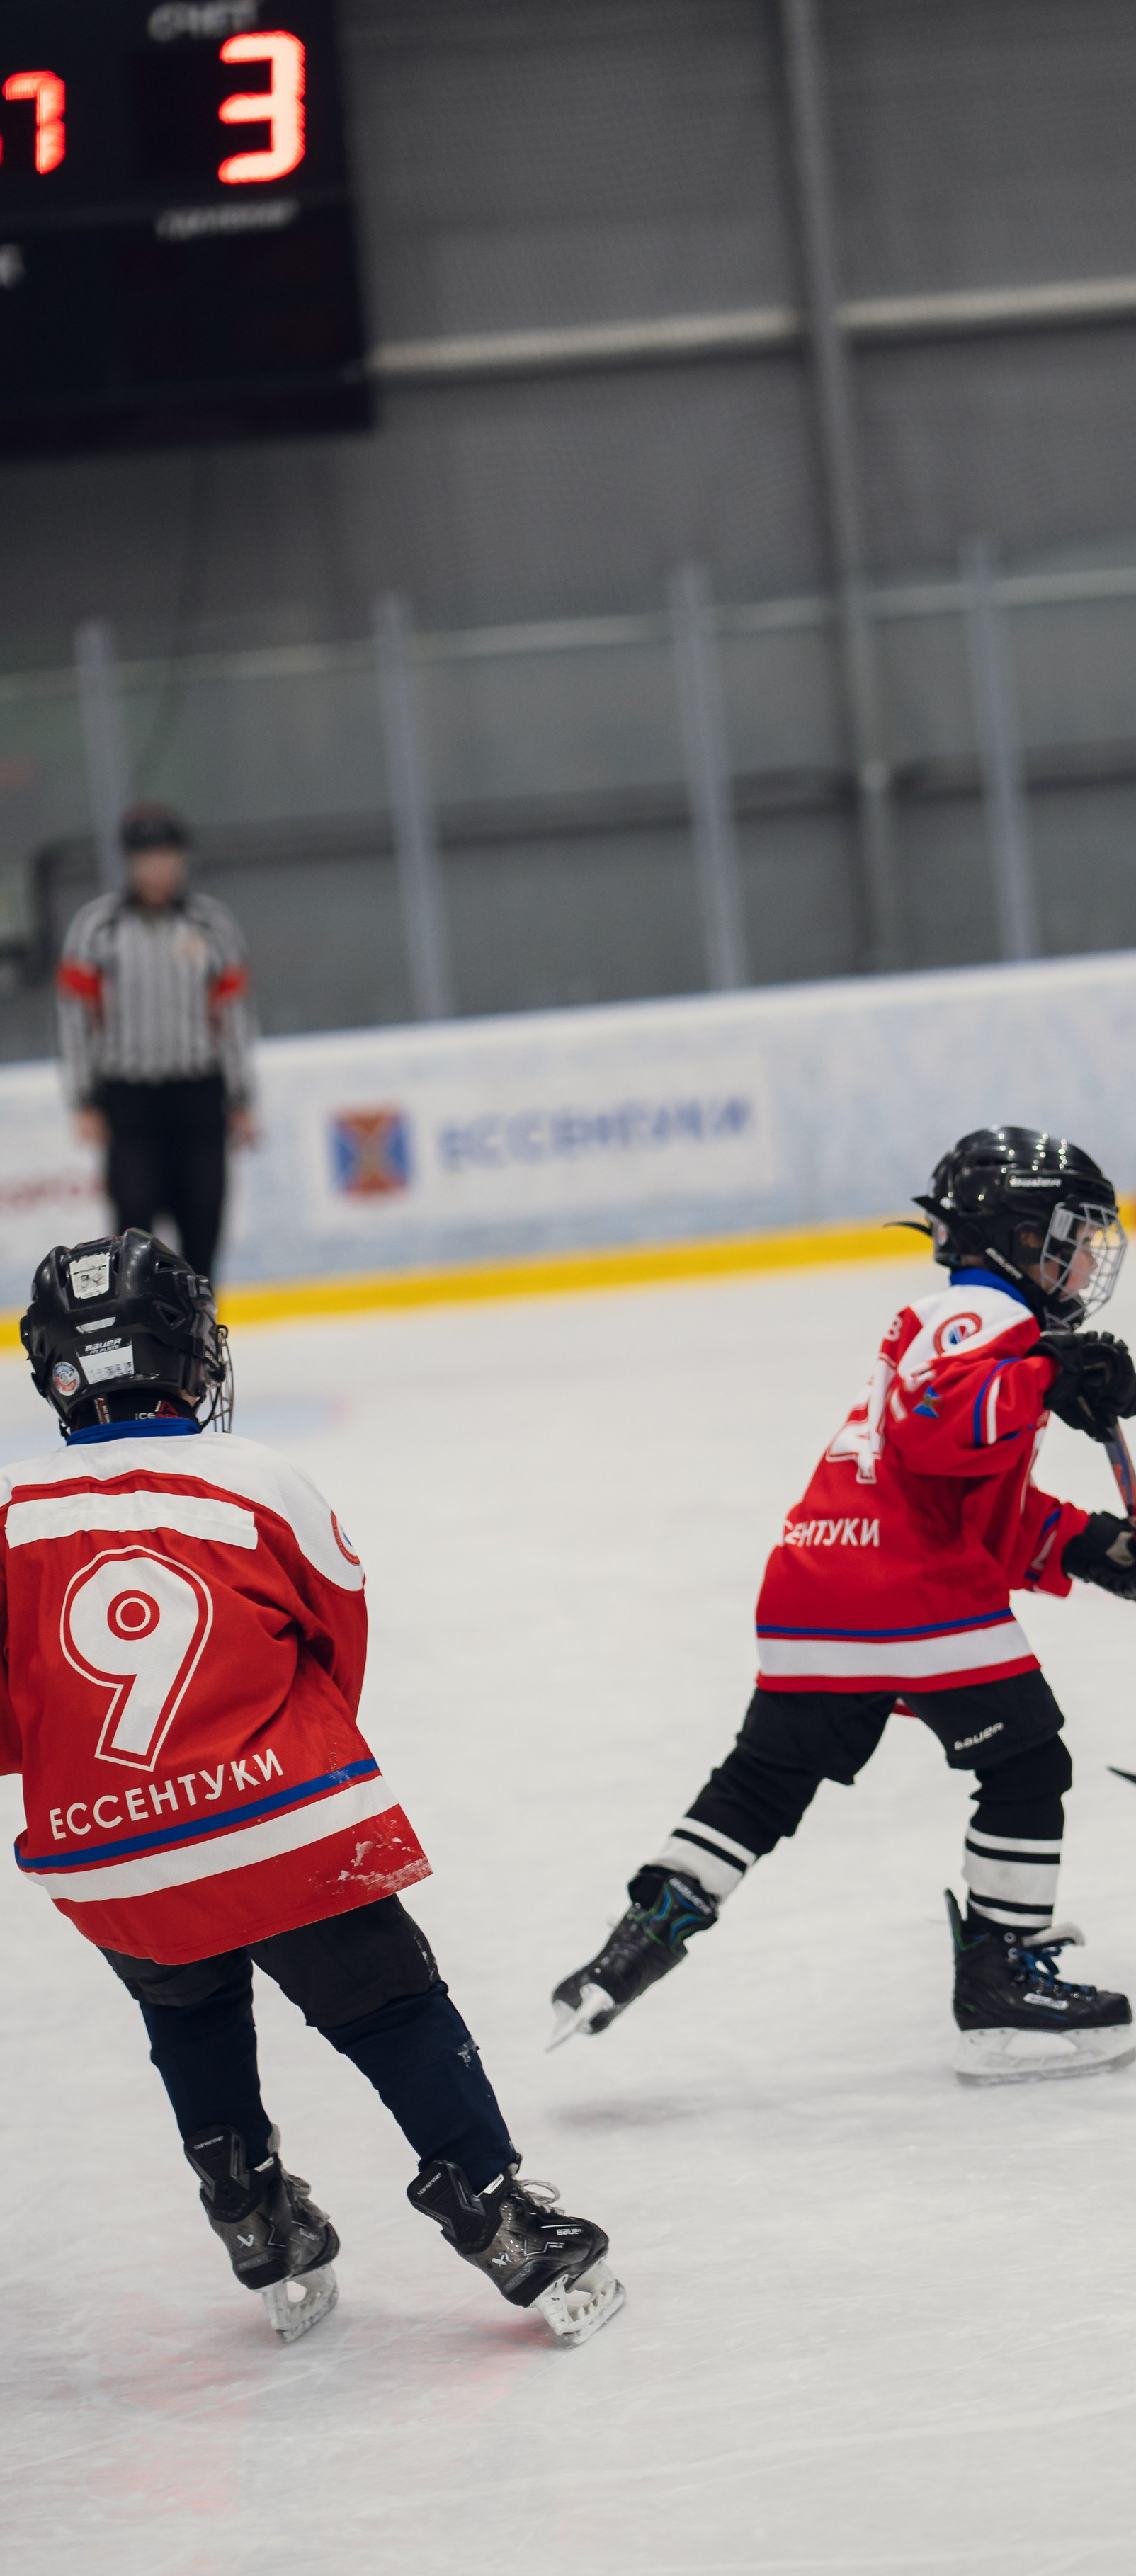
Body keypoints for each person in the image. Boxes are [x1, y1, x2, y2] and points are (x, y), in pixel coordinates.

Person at [5, 1230, 621, 2349]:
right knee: (392, 2007)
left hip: (105, 1862)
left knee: (183, 2002)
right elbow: (337, 1646)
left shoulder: (10, 1515)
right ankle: (499, 2215)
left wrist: (113, 1791)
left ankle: (253, 2217)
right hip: (283, 1825)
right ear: (187, 1350)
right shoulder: (257, 1477)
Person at [549, 1125, 1136, 2083]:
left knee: (765, 1781)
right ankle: (1002, 1981)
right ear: (1015, 1240)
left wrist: (1096, 1548)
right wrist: (1051, 1376)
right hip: (910, 1596)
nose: (1086, 1257)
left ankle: (645, 1934)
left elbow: (967, 1497)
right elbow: (940, 1434)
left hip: (817, 1587)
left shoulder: (972, 1330)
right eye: (1070, 1236)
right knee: (1026, 1763)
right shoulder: (981, 1315)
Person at [56, 802, 257, 1282]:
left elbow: (234, 1017)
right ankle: (143, 1339)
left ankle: (200, 1339)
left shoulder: (212, 926)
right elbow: (74, 1017)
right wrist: (83, 1100)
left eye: (168, 855)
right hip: (129, 1096)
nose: (160, 868)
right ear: (130, 863)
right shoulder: (97, 929)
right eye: (148, 857)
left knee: (203, 1218)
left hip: (198, 1092)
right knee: (133, 1227)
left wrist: (243, 1097)